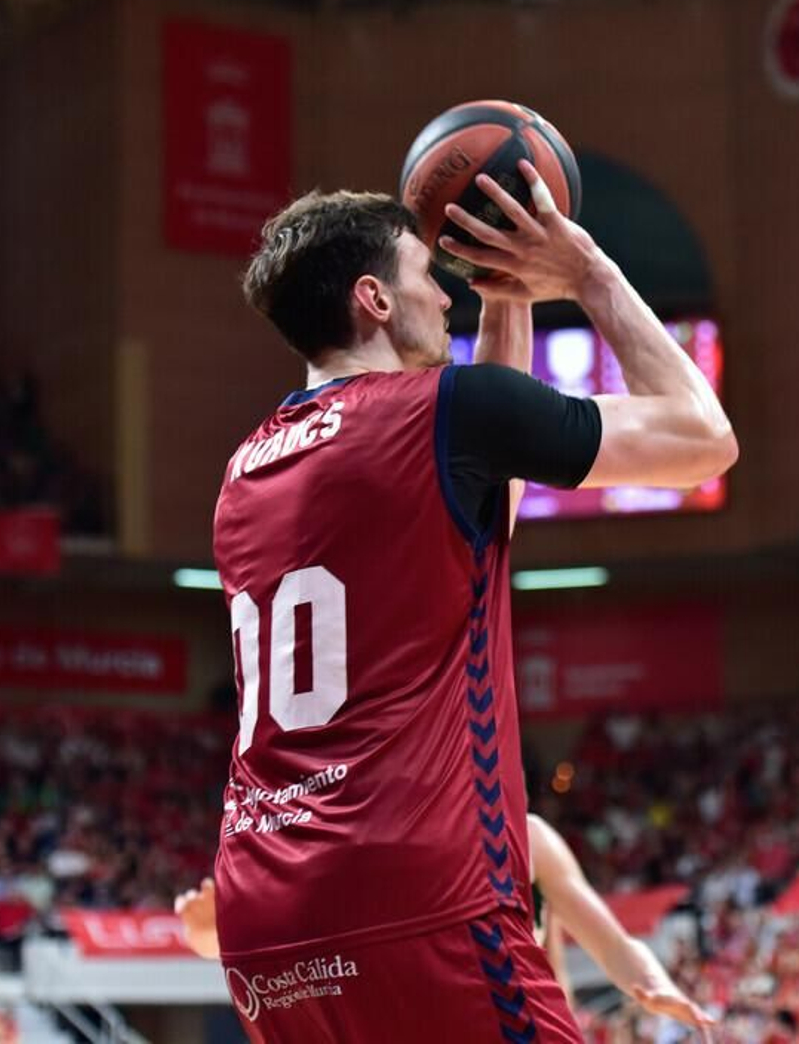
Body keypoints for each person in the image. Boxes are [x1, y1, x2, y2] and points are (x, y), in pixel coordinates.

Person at [213, 162, 736, 1043]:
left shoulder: (244, 471)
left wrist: (505, 293)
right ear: (375, 299)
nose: (446, 297)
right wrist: (587, 273)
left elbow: (481, 496)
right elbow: (704, 439)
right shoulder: (446, 410)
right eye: (430, 276)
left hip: (265, 918)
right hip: (416, 896)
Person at [178, 815, 715, 1038]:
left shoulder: (528, 837)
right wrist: (207, 929)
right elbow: (285, 938)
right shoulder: (390, 841)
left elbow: (614, 944)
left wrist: (657, 985)